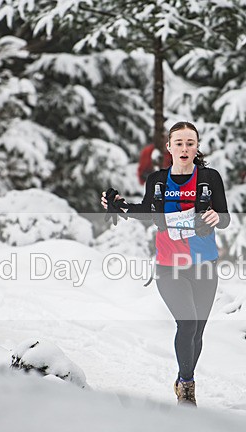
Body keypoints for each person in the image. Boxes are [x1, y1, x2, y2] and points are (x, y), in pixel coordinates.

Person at [102, 121, 231, 406]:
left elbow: (224, 216)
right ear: (169, 147)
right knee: (187, 324)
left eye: (190, 143)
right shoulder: (159, 181)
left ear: (197, 147)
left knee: (198, 331)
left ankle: (183, 376)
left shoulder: (210, 178)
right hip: (168, 266)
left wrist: (216, 218)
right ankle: (187, 388)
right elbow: (149, 213)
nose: (185, 148)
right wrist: (120, 206)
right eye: (179, 143)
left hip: (204, 266)